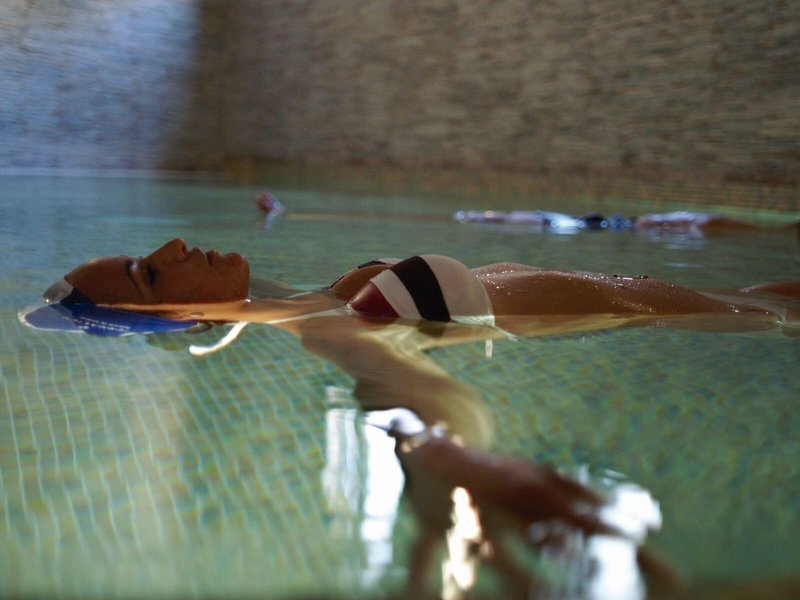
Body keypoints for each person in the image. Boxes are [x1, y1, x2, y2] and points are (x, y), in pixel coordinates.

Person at [20, 238, 799, 595]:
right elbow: (407, 396)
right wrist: (452, 460)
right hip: (723, 313)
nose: (173, 243)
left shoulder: (308, 303)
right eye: (149, 272)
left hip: (708, 298)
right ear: (170, 315)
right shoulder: (324, 329)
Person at [455, 208, 800, 235]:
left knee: (685, 223)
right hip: (612, 225)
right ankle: (772, 230)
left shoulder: (536, 220)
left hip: (613, 225)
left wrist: (476, 217)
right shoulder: (541, 219)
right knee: (686, 222)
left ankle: (773, 229)